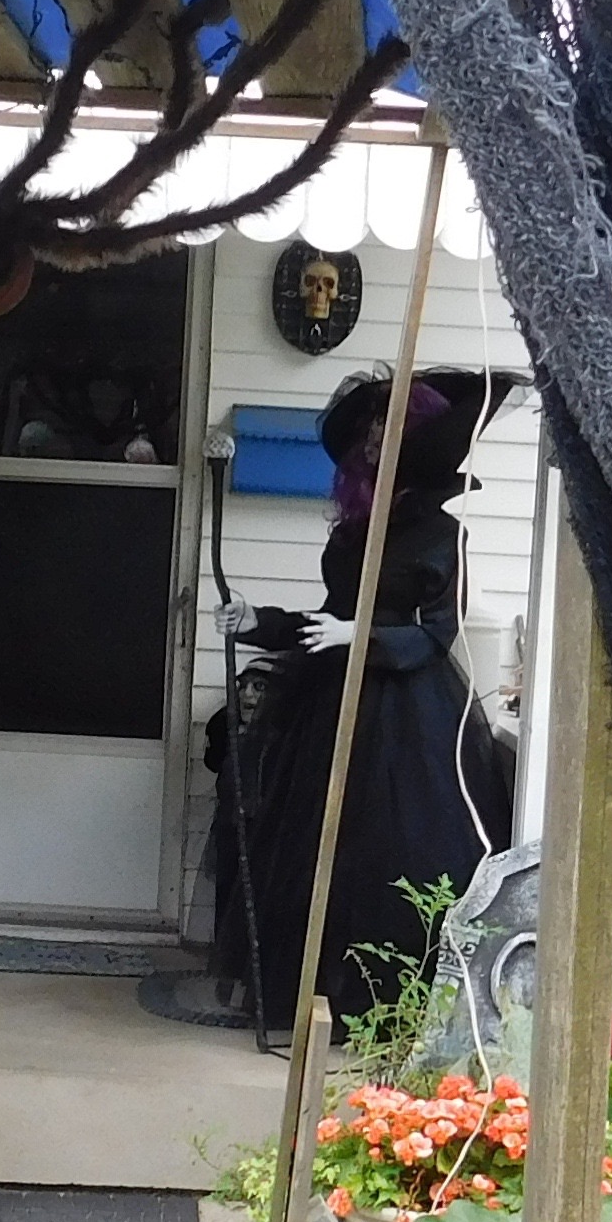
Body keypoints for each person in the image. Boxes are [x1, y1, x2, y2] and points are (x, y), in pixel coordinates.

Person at [197, 367, 522, 1047]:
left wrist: (361, 634)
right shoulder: (353, 531)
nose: (373, 441)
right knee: (322, 851)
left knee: (395, 853)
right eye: (370, 431)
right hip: (331, 707)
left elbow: (435, 635)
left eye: (387, 430)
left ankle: (390, 1005)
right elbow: (327, 620)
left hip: (408, 720)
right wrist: (257, 620)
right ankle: (321, 997)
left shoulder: (441, 535)